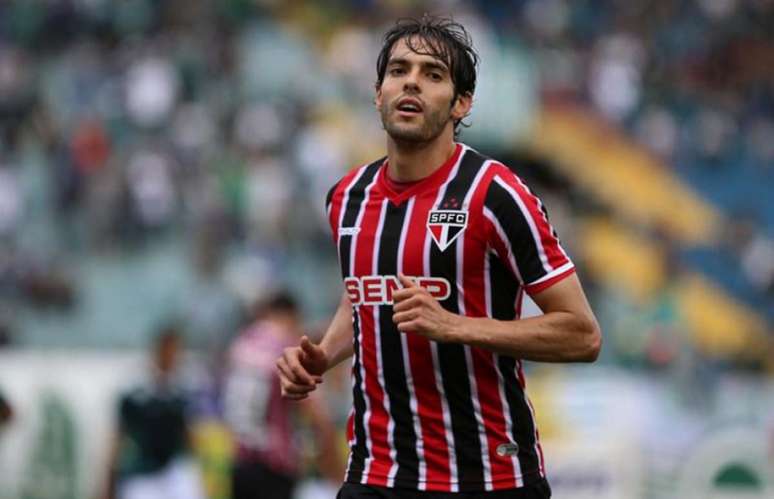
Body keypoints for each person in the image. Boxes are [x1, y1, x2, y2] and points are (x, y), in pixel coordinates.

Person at [276, 16, 602, 499]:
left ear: (460, 103)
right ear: (378, 92)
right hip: (376, 473)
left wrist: (454, 326)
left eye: (432, 74)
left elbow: (583, 334)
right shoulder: (347, 197)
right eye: (399, 70)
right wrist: (324, 355)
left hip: (487, 476)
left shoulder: (496, 194)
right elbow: (365, 293)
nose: (411, 81)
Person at [223, 291, 342, 499]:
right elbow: (319, 418)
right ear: (293, 315)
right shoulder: (287, 347)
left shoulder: (242, 343)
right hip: (275, 467)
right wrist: (338, 475)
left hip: (240, 462)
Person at [102, 326, 206, 499]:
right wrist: (109, 479)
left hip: (173, 470)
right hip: (143, 470)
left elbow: (190, 433)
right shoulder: (136, 390)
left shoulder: (183, 389)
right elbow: (119, 436)